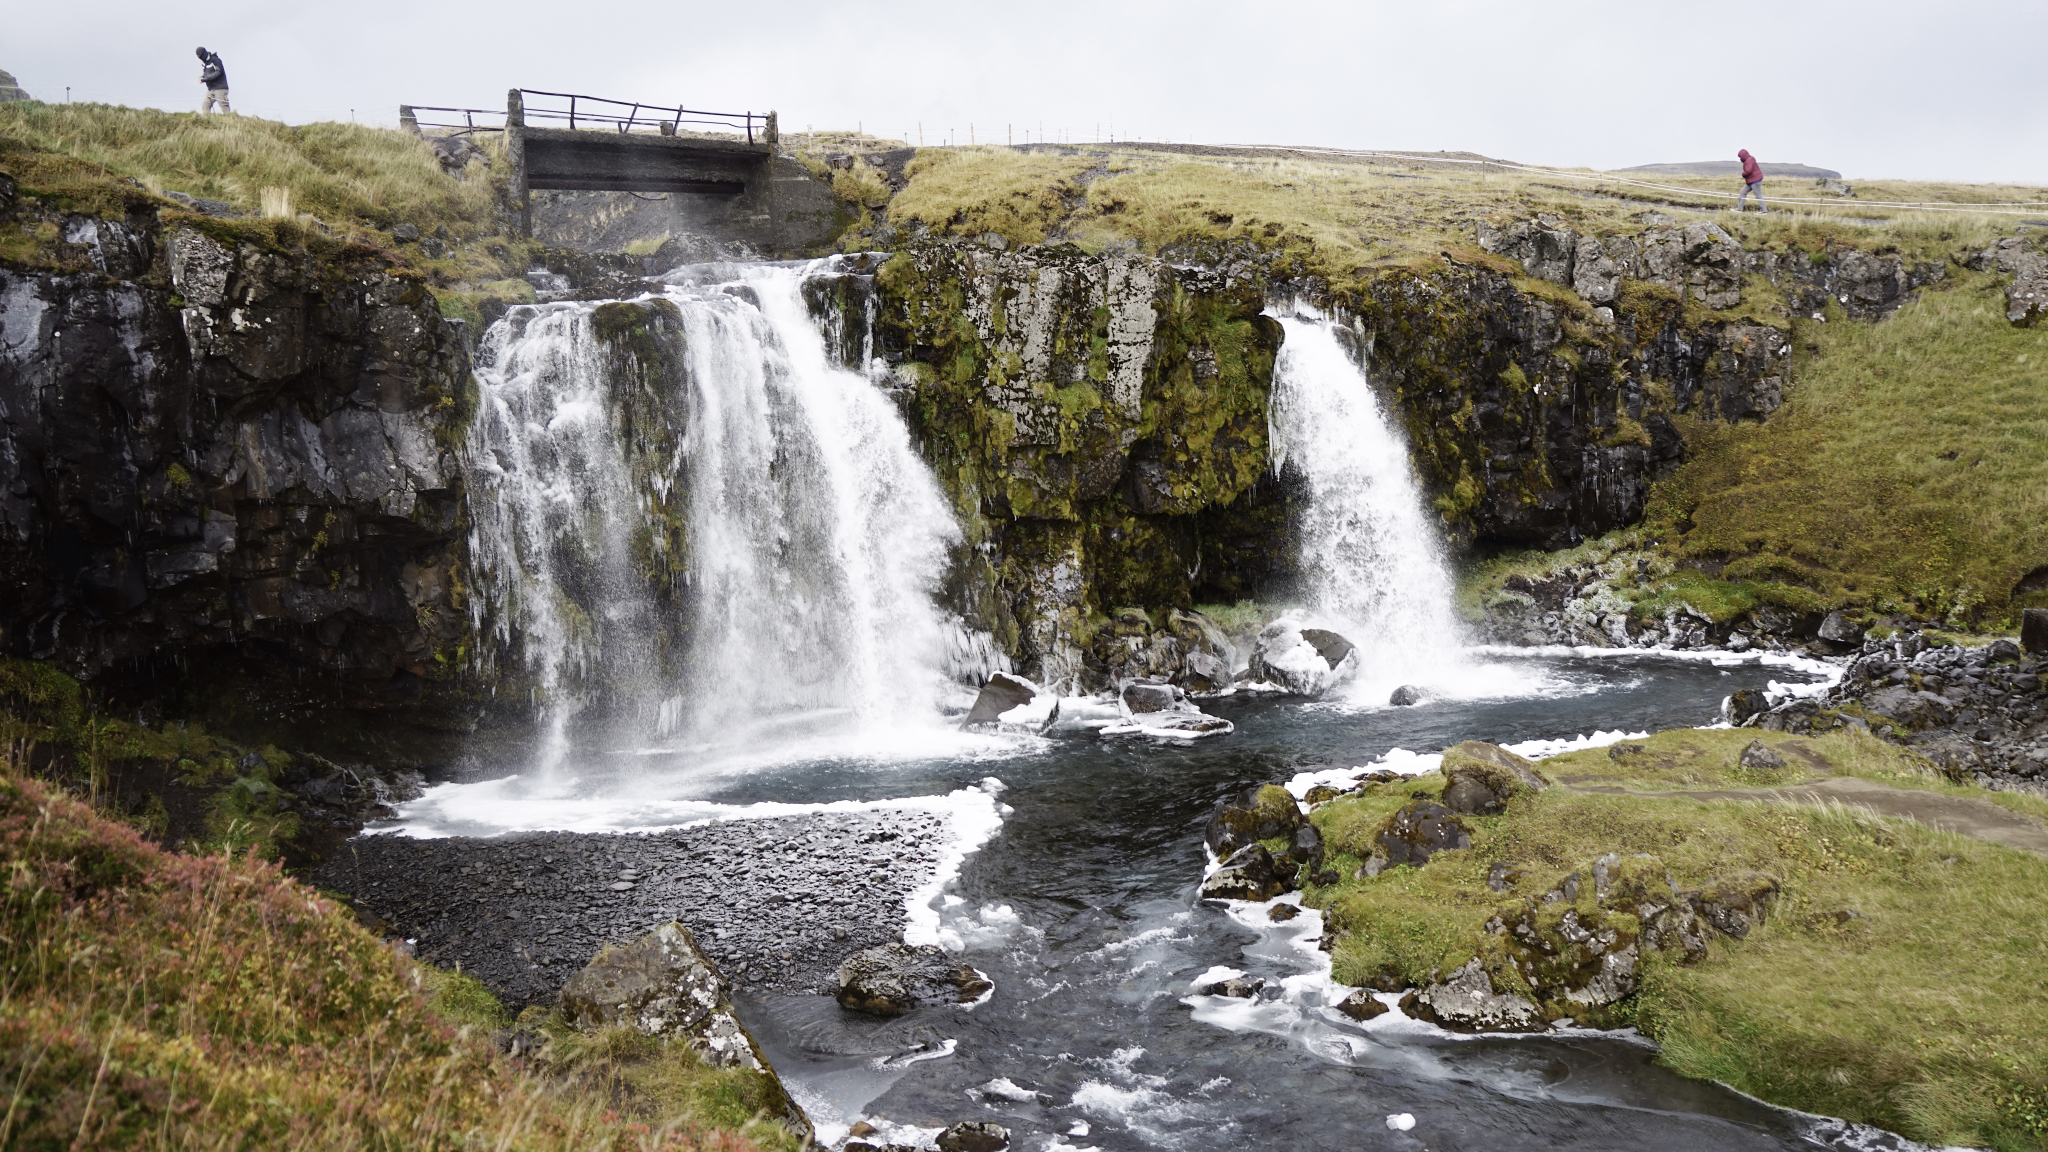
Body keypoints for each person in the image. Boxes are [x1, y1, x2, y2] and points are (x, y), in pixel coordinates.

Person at [196, 47, 230, 114]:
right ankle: (207, 122)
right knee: (205, 106)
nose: (199, 57)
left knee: (224, 108)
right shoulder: (204, 63)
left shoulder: (215, 59)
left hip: (220, 88)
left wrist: (206, 79)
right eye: (198, 56)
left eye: (200, 55)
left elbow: (219, 72)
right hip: (210, 89)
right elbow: (206, 74)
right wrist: (202, 77)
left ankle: (231, 122)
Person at [1735, 148, 1766, 213]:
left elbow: (1748, 171)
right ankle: (1739, 209)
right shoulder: (1750, 159)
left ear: (1743, 156)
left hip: (1755, 180)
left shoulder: (1749, 160)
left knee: (1758, 195)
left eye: (1740, 157)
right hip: (1751, 181)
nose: (1740, 158)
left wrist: (1743, 174)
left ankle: (1764, 211)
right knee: (1743, 192)